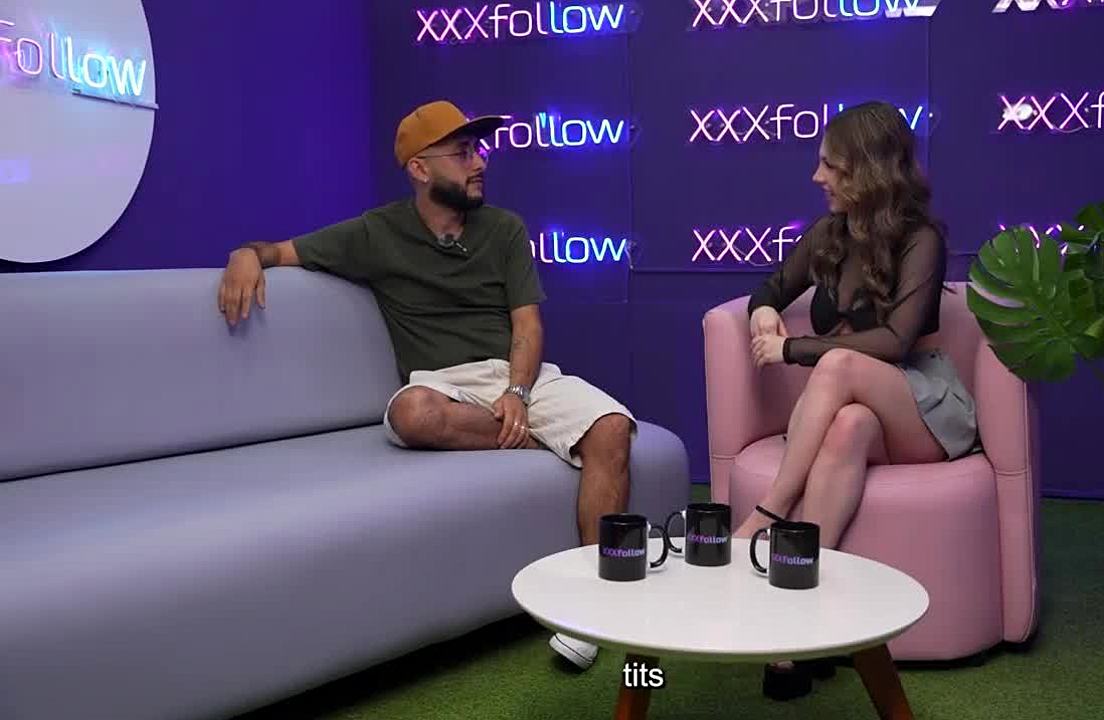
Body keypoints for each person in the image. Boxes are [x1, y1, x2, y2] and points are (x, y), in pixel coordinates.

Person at [216, 100, 632, 672]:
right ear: (419, 168)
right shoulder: (375, 233)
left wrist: (518, 392)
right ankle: (548, 440)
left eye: (478, 150)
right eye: (462, 153)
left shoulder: (505, 229)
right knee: (411, 414)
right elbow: (279, 251)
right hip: (443, 385)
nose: (479, 162)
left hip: (515, 376)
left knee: (612, 427)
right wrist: (244, 256)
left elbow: (528, 326)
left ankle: (594, 606)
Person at [731, 101, 979, 700]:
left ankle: (769, 513)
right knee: (846, 427)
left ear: (869, 171)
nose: (817, 176)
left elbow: (896, 342)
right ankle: (797, 630)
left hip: (920, 407)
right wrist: (762, 312)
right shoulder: (828, 235)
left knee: (840, 365)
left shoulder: (920, 240)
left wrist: (793, 349)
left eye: (832, 166)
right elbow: (770, 287)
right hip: (862, 416)